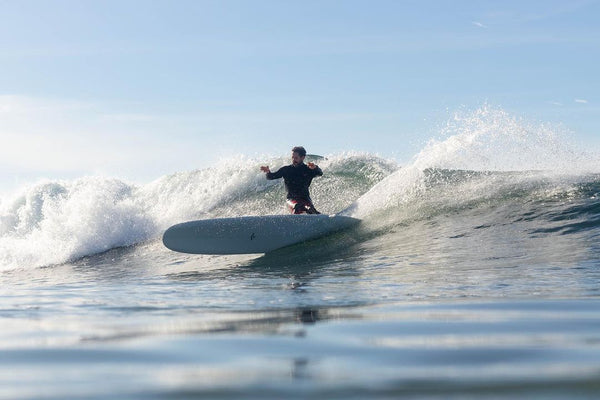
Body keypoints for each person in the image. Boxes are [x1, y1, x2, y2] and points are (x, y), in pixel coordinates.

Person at [260, 146, 323, 214]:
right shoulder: (286, 169)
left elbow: (320, 173)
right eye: (292, 157)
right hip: (291, 199)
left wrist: (315, 168)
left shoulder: (308, 169)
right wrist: (268, 172)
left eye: (296, 158)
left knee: (310, 209)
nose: (293, 160)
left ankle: (321, 219)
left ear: (302, 157)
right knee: (297, 207)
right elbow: (271, 177)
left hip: (305, 198)